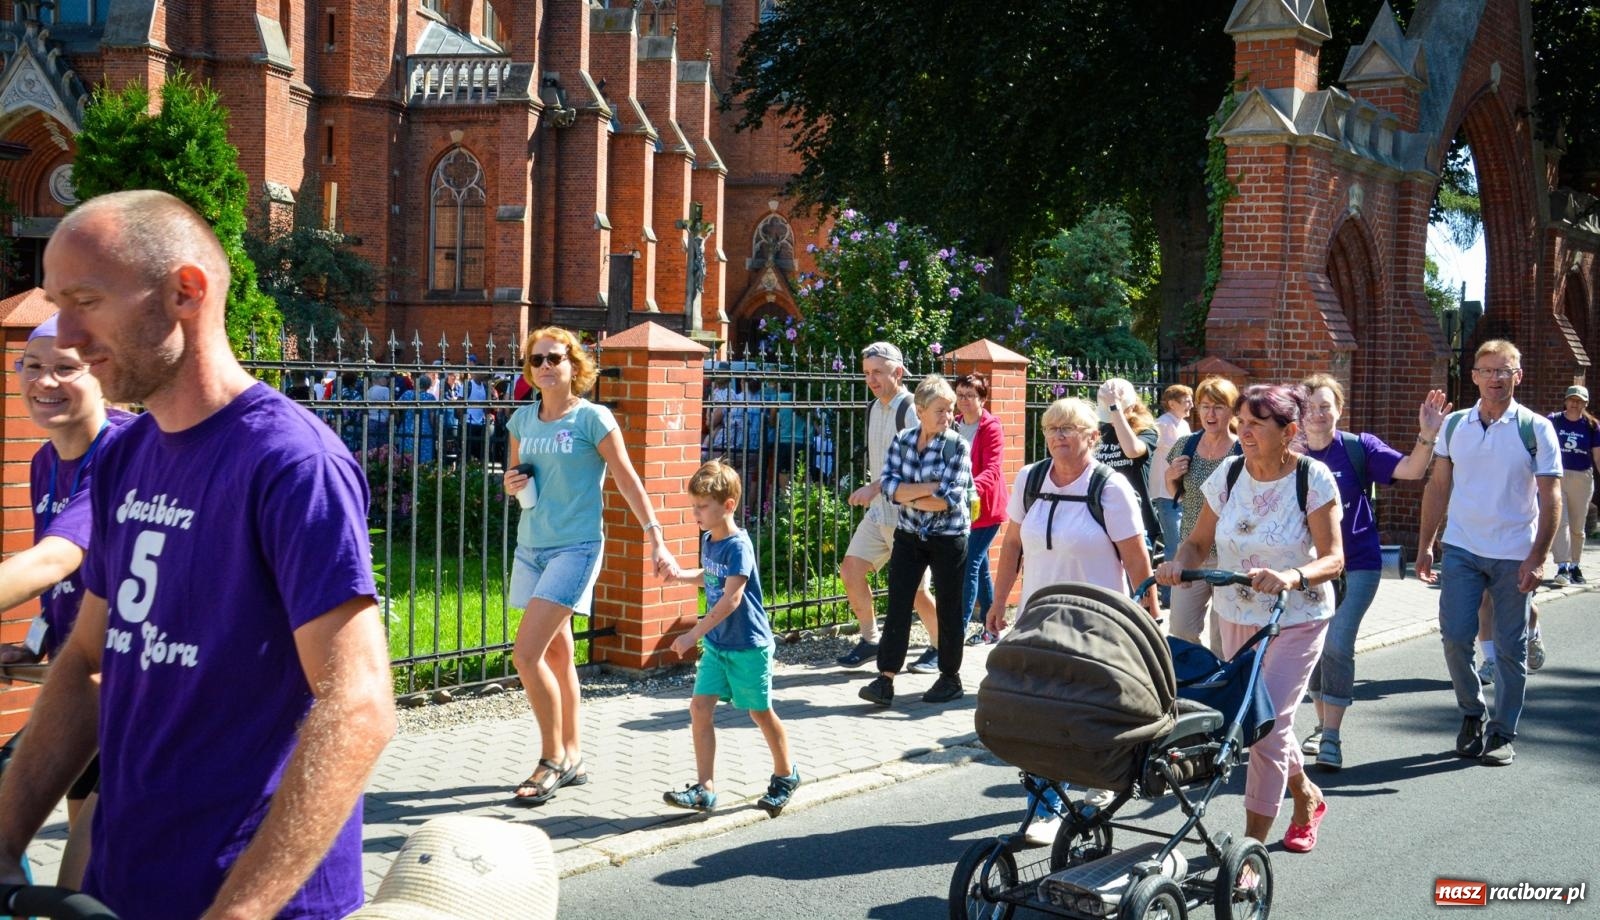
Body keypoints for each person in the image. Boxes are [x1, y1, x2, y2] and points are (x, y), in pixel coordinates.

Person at [0, 189, 396, 919]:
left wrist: (238, 913)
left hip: (253, 901)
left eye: (86, 299)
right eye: (59, 301)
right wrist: (4, 838)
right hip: (120, 886)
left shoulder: (289, 462)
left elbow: (359, 704)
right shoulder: (126, 457)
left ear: (186, 291)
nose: (67, 333)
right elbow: (88, 661)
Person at [1156, 384, 1344, 853]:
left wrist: (1291, 575)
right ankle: (1306, 797)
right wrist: (1180, 562)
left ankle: (1250, 848)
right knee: (1260, 718)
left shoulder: (1313, 477)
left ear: (1290, 432)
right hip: (1236, 614)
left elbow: (1334, 558)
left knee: (1265, 728)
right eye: (1244, 422)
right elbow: (1198, 541)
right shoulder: (1228, 472)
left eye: (1258, 424)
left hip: (1296, 616)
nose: (1246, 431)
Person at [503, 327, 677, 804]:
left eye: (554, 358)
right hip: (532, 546)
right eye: (536, 360)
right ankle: (574, 756)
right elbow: (516, 479)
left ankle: (551, 758)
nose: (544, 367)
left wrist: (655, 536)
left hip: (575, 547)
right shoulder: (521, 421)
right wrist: (511, 483)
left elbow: (626, 477)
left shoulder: (592, 419)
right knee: (557, 657)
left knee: (526, 654)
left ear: (573, 365)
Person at [0, 314, 134, 890]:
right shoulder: (44, 461)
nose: (44, 382)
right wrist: (34, 645)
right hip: (80, 682)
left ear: (102, 373)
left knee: (85, 880)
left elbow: (58, 559)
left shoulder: (121, 454)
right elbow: (66, 589)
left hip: (130, 691)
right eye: (32, 366)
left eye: (65, 369)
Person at [986, 397, 1157, 844]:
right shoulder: (1029, 480)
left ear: (1092, 437)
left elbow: (1139, 565)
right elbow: (1012, 547)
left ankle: (1100, 780)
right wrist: (999, 601)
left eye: (1069, 429)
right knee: (1039, 714)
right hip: (1038, 622)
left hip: (1096, 626)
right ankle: (1044, 807)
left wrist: (1150, 622)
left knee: (1087, 713)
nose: (1058, 436)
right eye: (1051, 429)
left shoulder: (1111, 488)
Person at [1417, 339, 1561, 768]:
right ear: (1474, 375)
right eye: (1487, 370)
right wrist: (1425, 545)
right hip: (1462, 547)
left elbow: (1550, 497)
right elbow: (1438, 486)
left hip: (1514, 552)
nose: (1496, 378)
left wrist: (1538, 557)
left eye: (1505, 370)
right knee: (1456, 636)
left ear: (1518, 375)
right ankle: (1471, 714)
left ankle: (1502, 732)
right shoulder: (1455, 424)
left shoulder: (1535, 428)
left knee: (1510, 649)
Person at [1296, 375, 1449, 770]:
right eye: (1309, 406)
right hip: (1307, 569)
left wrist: (1427, 436)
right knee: (1312, 650)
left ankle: (1331, 737)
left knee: (1337, 644)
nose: (1317, 413)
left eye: (1325, 406)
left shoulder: (1357, 447)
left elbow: (1413, 470)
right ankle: (1320, 725)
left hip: (1358, 564)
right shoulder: (1287, 455)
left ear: (1339, 409)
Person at [661, 461, 800, 816]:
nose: (696, 514)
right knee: (699, 708)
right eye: (694, 506)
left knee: (760, 711)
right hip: (719, 646)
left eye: (702, 507)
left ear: (728, 505)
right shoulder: (709, 539)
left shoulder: (739, 546)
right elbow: (710, 578)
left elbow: (730, 599)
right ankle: (705, 788)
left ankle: (786, 775)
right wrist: (679, 576)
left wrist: (693, 633)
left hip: (748, 646)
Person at [857, 374, 971, 708]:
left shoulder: (957, 445)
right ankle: (885, 679)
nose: (947, 417)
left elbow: (947, 499)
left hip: (949, 536)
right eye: (940, 410)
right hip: (910, 534)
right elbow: (889, 487)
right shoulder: (904, 440)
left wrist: (909, 493)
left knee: (950, 607)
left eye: (950, 410)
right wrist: (926, 488)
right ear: (920, 410)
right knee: (898, 602)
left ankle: (950, 678)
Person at [835, 342, 939, 671]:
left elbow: (918, 467)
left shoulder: (910, 409)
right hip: (880, 511)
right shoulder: (874, 407)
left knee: (915, 593)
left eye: (878, 372)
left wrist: (874, 486)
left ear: (898, 371)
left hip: (909, 516)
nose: (871, 379)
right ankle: (870, 640)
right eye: (867, 373)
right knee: (851, 570)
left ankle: (941, 648)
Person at [1163, 376, 1241, 651]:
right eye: (1205, 406)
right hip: (1191, 551)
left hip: (1231, 556)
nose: (1210, 413)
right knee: (1181, 630)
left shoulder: (1243, 450)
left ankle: (1220, 690)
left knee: (1224, 640)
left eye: (1219, 407)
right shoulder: (1186, 445)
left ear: (1232, 410)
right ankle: (1193, 680)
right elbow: (1177, 491)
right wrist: (1171, 475)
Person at [953, 374, 1009, 646]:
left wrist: (969, 490)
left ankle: (958, 628)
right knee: (981, 566)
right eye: (960, 394)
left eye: (970, 396)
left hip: (985, 508)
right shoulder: (955, 424)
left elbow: (993, 469)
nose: (963, 401)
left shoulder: (990, 427)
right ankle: (993, 628)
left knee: (968, 565)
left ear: (982, 399)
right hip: (962, 508)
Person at [1095, 377, 1163, 548]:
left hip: (1137, 522)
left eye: (1115, 409)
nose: (1109, 416)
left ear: (1131, 407)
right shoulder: (1099, 432)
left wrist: (1115, 408)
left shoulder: (1146, 431)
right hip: (1102, 520)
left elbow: (1132, 451)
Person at [1549, 384, 1599, 586]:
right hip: (1557, 476)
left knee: (1577, 526)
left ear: (1585, 403)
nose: (1574, 404)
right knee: (1561, 522)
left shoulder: (1592, 426)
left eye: (1579, 401)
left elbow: (1597, 457)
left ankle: (1575, 564)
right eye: (1571, 399)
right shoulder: (1554, 421)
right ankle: (1562, 566)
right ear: (1566, 400)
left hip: (1582, 477)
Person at [1150, 385, 1194, 559]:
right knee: (1174, 546)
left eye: (1191, 400)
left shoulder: (1182, 424)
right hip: (1165, 493)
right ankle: (1169, 586)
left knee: (1183, 543)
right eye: (1186, 401)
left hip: (1181, 491)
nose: (1191, 404)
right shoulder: (1162, 424)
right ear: (1172, 404)